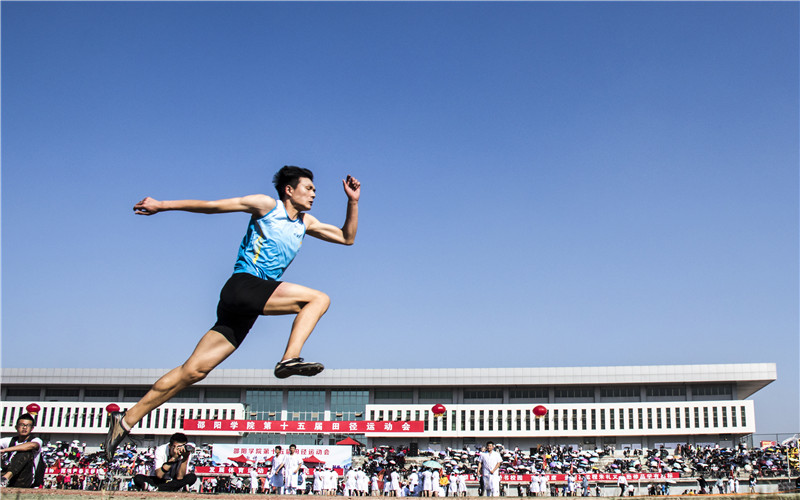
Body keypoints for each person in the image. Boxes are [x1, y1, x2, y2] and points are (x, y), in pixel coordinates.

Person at [104, 167, 361, 458]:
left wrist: (352, 201)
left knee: (193, 371)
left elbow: (346, 237)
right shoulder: (266, 205)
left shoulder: (306, 222)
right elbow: (212, 207)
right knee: (318, 299)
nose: (314, 193)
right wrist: (162, 205)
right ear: (289, 190)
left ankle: (124, 422)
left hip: (248, 302)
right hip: (243, 285)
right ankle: (289, 359)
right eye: (308, 188)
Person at [0, 413, 43, 488]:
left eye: (28, 425)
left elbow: (32, 445)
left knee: (25, 451)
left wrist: (4, 450)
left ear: (32, 428)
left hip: (25, 479)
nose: (25, 428)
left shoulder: (36, 440)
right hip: (10, 478)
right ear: (16, 427)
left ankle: (5, 479)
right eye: (22, 425)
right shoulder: (9, 440)